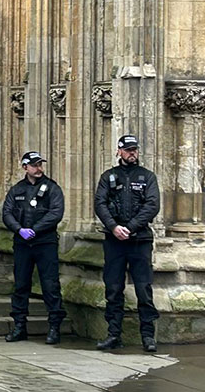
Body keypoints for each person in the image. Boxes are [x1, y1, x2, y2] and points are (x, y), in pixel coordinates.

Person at [94, 134, 161, 352]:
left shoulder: (147, 176)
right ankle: (114, 334)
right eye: (128, 150)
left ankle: (148, 335)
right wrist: (114, 227)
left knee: (143, 288)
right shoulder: (108, 176)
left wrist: (130, 227)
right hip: (114, 241)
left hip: (139, 240)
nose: (132, 153)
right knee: (113, 288)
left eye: (135, 150)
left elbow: (152, 205)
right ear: (119, 151)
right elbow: (100, 203)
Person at [0, 151, 67, 344]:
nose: (39, 168)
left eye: (40, 165)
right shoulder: (17, 190)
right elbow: (7, 213)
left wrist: (35, 229)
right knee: (21, 285)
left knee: (50, 285)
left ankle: (54, 327)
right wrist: (19, 229)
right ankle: (19, 326)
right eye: (34, 165)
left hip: (45, 242)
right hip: (23, 244)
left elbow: (56, 213)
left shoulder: (52, 188)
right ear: (25, 167)